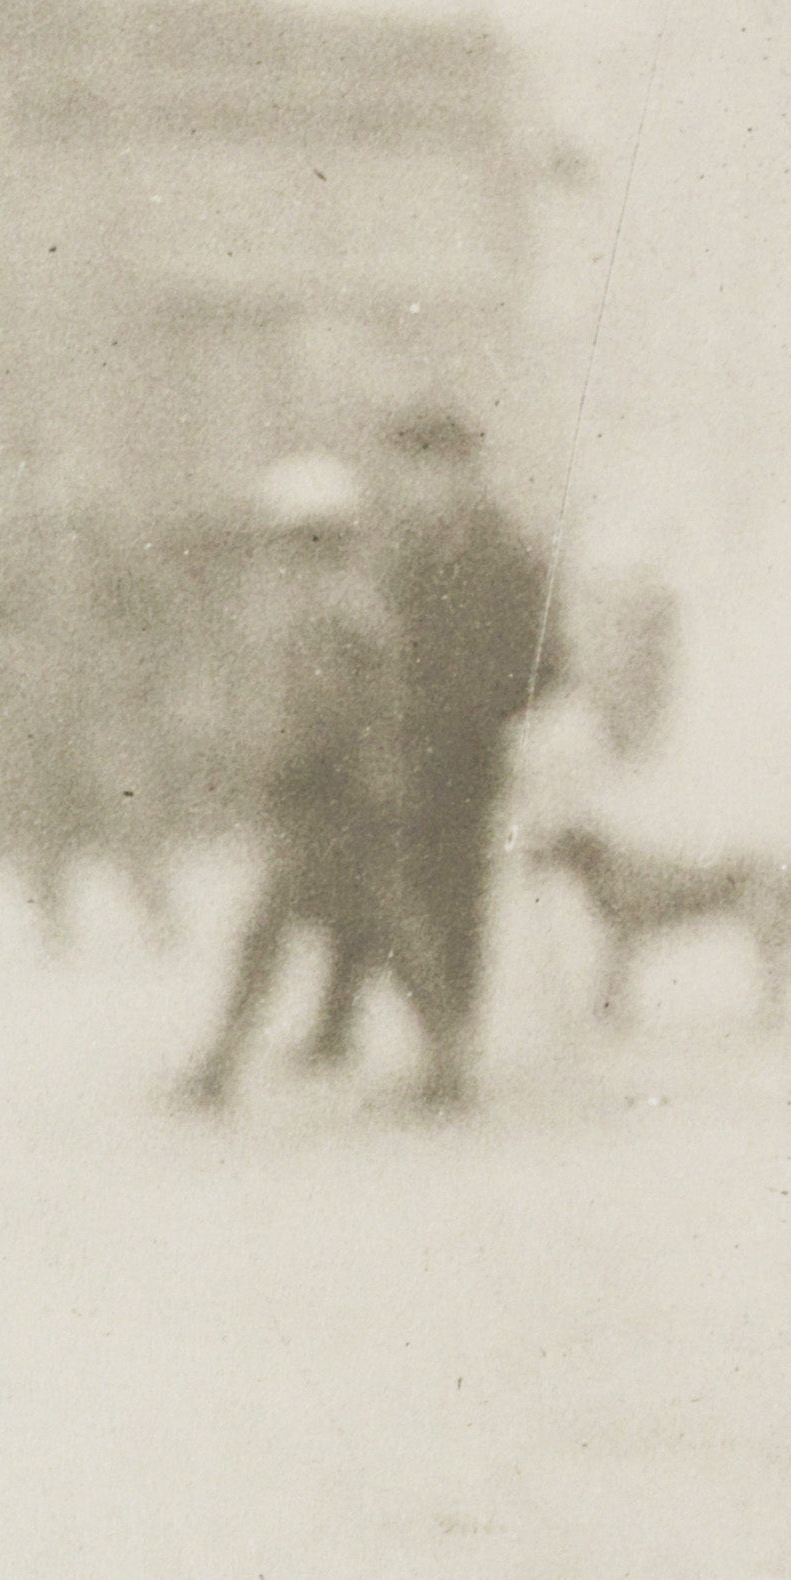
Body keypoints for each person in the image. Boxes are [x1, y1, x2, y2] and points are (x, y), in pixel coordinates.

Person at [179, 455, 426, 1110]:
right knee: (373, 922)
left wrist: (274, 765)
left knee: (298, 929)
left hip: (330, 795)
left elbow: (324, 714)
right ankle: (446, 1055)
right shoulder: (343, 601)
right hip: (345, 792)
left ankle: (216, 1068)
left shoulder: (331, 608)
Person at [366, 400, 557, 1109]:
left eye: (430, 470)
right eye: (410, 472)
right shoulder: (401, 552)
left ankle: (452, 1054)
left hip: (469, 752)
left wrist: (490, 704)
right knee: (405, 897)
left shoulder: (508, 552)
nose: (418, 486)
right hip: (401, 749)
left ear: (462, 469)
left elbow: (548, 655)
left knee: (456, 900)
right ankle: (439, 1046)